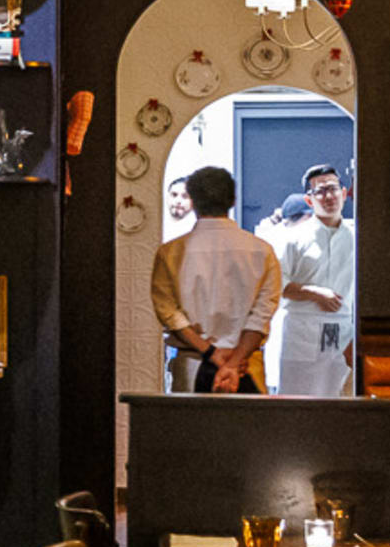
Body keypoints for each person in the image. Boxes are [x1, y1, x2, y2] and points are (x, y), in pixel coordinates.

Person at [152, 163, 280, 392]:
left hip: (192, 363)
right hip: (246, 365)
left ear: (192, 200)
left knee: (193, 427)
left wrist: (211, 353)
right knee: (250, 428)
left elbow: (169, 314)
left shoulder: (170, 252)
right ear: (233, 200)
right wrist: (232, 362)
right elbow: (261, 315)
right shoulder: (262, 251)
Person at [272, 162, 357, 396]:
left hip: (343, 330)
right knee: (297, 401)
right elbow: (276, 283)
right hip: (301, 331)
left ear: (344, 193)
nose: (328, 196)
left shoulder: (357, 236)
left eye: (332, 188)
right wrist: (313, 292)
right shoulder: (293, 238)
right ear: (309, 200)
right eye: (319, 191)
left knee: (341, 400)